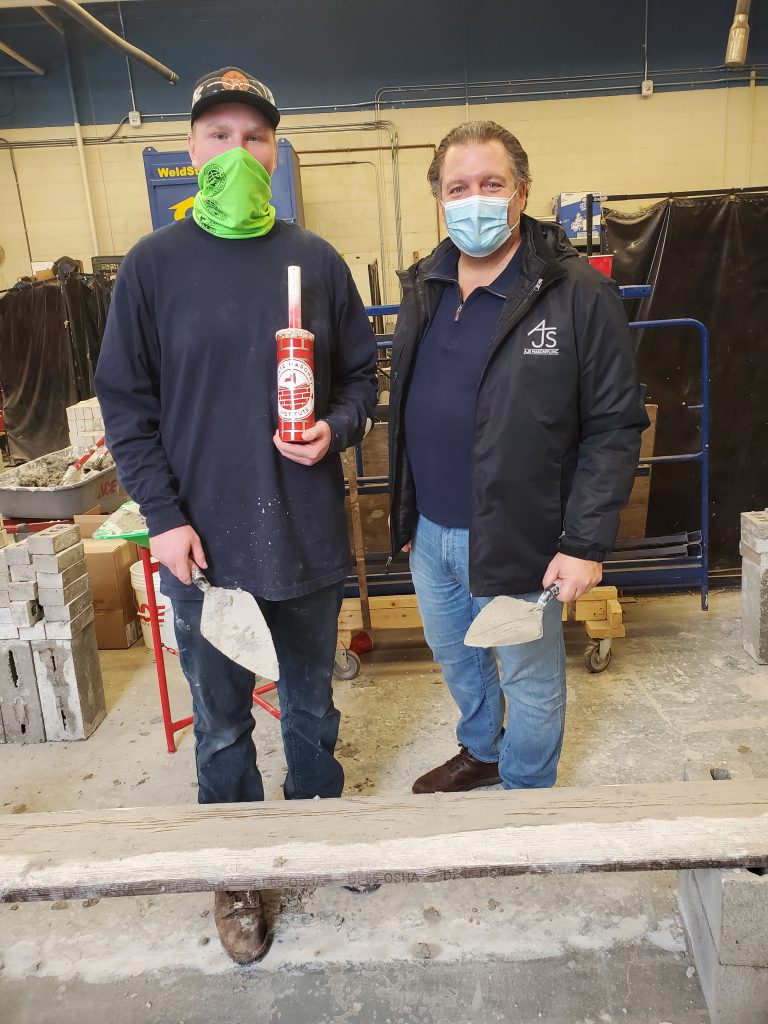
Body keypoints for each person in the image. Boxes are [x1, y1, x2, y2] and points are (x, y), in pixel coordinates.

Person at [95, 67, 378, 964]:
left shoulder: (317, 260)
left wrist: (334, 429)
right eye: (219, 135)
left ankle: (319, 827)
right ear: (192, 150)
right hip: (202, 547)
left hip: (304, 534)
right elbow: (127, 406)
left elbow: (364, 380)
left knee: (309, 707)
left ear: (276, 150)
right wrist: (164, 517)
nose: (238, 150)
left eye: (255, 137)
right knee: (221, 722)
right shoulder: (151, 266)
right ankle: (237, 869)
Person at [388, 120, 648, 796]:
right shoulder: (424, 286)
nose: (474, 198)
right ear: (440, 200)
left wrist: (586, 543)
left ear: (521, 191)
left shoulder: (575, 294)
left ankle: (527, 795)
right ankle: (482, 750)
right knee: (458, 661)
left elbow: (616, 424)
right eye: (458, 187)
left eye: (491, 183)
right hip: (432, 535)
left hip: (521, 535)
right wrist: (409, 514)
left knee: (529, 676)